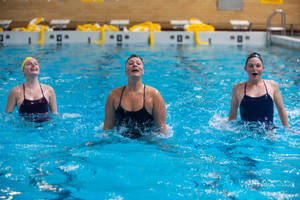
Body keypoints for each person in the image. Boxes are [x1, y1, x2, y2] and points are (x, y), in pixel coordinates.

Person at [103, 54, 167, 138]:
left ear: (143, 71)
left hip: (147, 142)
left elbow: (161, 130)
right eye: (130, 63)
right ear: (125, 71)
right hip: (120, 142)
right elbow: (108, 127)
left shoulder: (154, 95)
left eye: (138, 63)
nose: (135, 65)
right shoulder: (114, 95)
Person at [229, 52, 289, 128]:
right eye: (251, 66)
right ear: (245, 69)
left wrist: (287, 129)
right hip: (245, 134)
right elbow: (232, 115)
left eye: (258, 66)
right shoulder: (237, 88)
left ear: (263, 68)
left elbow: (281, 109)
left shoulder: (272, 85)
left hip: (269, 133)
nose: (254, 69)